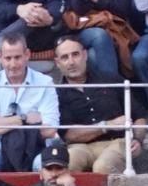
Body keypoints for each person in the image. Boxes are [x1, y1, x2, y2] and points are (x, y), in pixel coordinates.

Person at [53, 32, 139, 174]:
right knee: (69, 163)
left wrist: (138, 139)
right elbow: (69, 135)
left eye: (75, 54)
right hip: (79, 147)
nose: (71, 62)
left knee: (103, 166)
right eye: (64, 57)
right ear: (57, 63)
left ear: (85, 55)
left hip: (116, 142)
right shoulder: (57, 93)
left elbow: (139, 115)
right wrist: (107, 125)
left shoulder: (111, 80)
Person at [0, 29, 57, 171]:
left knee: (43, 163)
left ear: (27, 55)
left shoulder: (45, 82)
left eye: (17, 57)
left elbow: (49, 130)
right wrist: (23, 119)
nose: (13, 64)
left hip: (36, 149)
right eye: (8, 58)